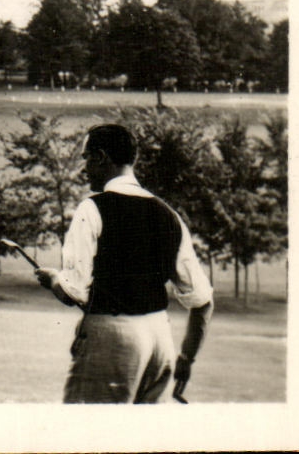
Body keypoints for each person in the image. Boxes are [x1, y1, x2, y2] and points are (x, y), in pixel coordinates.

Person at [33, 123, 213, 403]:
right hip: (160, 341)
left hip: (113, 339)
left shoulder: (91, 208)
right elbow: (203, 302)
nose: (84, 169)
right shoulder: (170, 216)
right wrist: (186, 358)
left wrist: (54, 279)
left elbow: (72, 292)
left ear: (102, 157)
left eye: (86, 158)